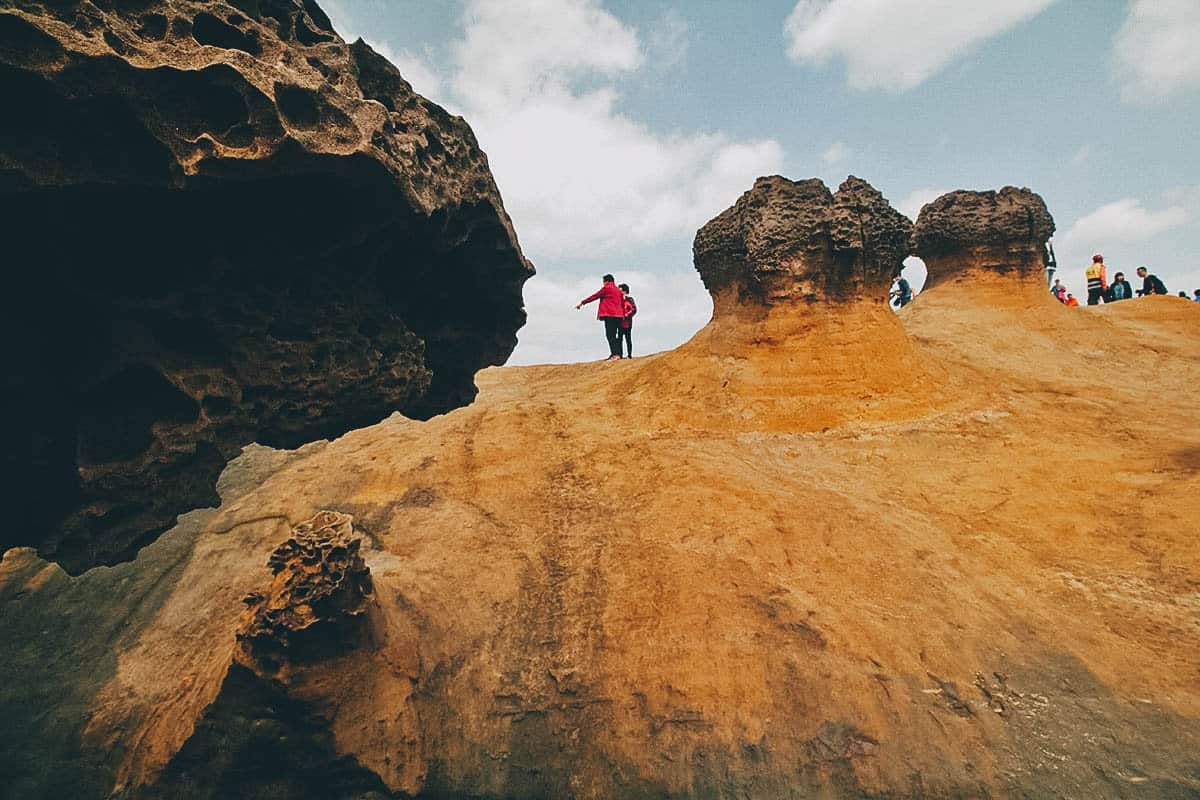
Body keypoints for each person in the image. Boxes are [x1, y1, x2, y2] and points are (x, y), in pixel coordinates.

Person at [576, 274, 625, 360]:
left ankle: (615, 354)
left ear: (606, 281)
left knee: (610, 335)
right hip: (619, 316)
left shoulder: (606, 288)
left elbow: (595, 296)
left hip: (610, 315)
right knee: (616, 335)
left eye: (603, 282)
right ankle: (618, 354)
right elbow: (622, 303)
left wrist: (583, 302)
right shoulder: (618, 291)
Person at [618, 283, 636, 359]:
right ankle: (620, 355)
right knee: (619, 339)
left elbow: (634, 309)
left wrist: (627, 315)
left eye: (620, 290)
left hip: (627, 323)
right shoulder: (617, 300)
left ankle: (629, 355)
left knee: (628, 339)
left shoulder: (630, 299)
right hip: (619, 322)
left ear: (625, 291)